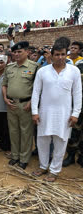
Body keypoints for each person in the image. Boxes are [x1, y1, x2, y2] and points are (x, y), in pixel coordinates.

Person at [31, 43, 82, 182]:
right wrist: (34, 112)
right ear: (51, 56)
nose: (60, 57)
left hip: (65, 114)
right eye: (57, 55)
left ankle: (54, 170)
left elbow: (77, 94)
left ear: (66, 55)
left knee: (61, 142)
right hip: (44, 113)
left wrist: (75, 113)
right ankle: (42, 166)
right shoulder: (43, 71)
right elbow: (36, 92)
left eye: (63, 54)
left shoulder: (74, 71)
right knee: (42, 140)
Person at [2, 41, 39, 169]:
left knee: (26, 132)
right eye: (15, 52)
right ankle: (15, 156)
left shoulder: (34, 67)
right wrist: (5, 98)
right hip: (11, 104)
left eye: (20, 52)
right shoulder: (9, 67)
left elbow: (37, 88)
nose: (16, 54)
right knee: (13, 131)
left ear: (27, 52)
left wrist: (31, 102)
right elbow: (4, 84)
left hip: (25, 105)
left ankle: (24, 158)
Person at [0, 55, 11, 154]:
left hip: (6, 106)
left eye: (1, 62)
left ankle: (8, 148)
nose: (0, 65)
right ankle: (1, 145)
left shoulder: (9, 75)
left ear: (5, 63)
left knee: (6, 128)